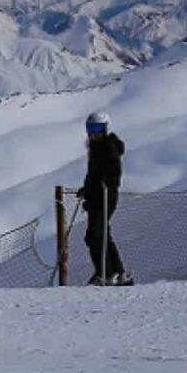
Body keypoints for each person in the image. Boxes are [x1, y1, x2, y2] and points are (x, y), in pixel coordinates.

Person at [77, 112, 132, 286]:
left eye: (98, 129)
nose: (94, 133)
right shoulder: (95, 147)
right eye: (91, 129)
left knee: (94, 236)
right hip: (96, 196)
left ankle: (105, 273)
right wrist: (86, 189)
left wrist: (108, 182)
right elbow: (93, 174)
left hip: (105, 196)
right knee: (101, 235)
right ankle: (118, 272)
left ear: (106, 128)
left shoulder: (108, 146)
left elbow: (114, 170)